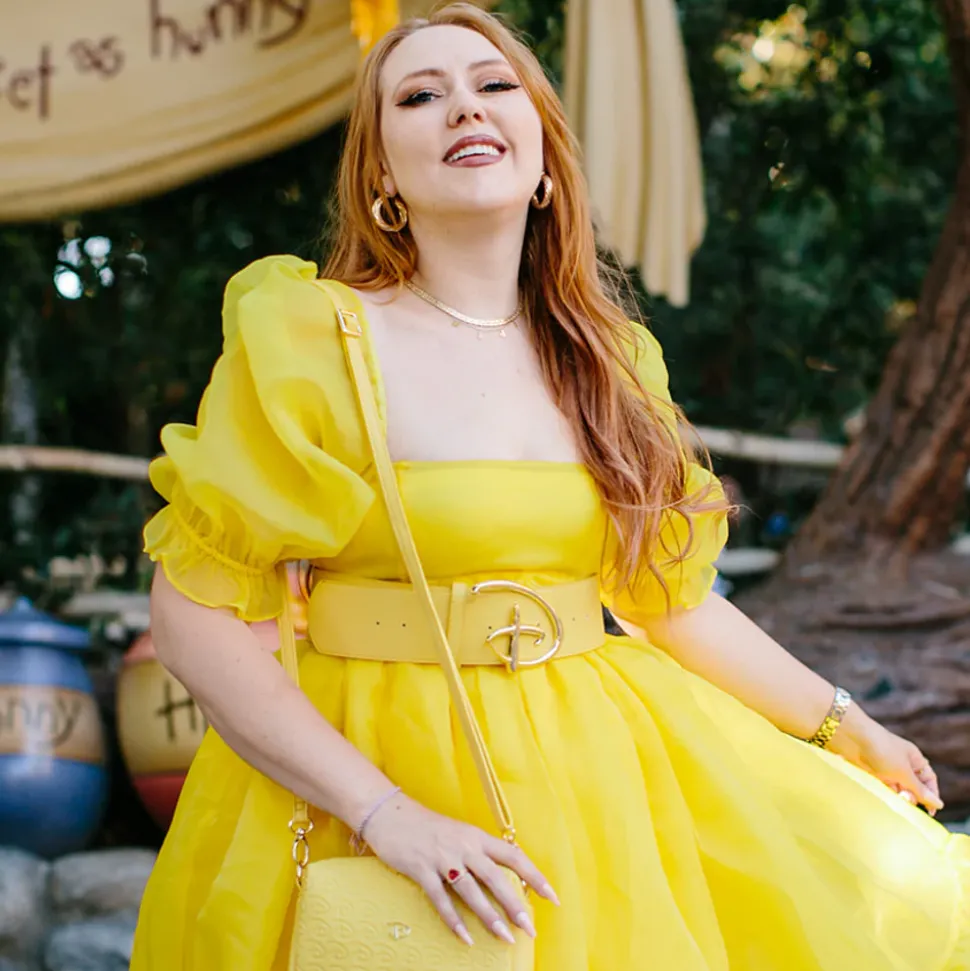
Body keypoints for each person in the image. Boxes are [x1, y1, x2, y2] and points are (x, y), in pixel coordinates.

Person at [130, 5, 969, 969]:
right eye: (420, 95)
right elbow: (190, 618)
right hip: (371, 775)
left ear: (541, 156)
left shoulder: (611, 359)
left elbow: (668, 603)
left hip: (598, 780)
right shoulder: (313, 337)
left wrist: (845, 724)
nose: (464, 107)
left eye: (494, 85)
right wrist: (386, 812)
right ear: (380, 175)